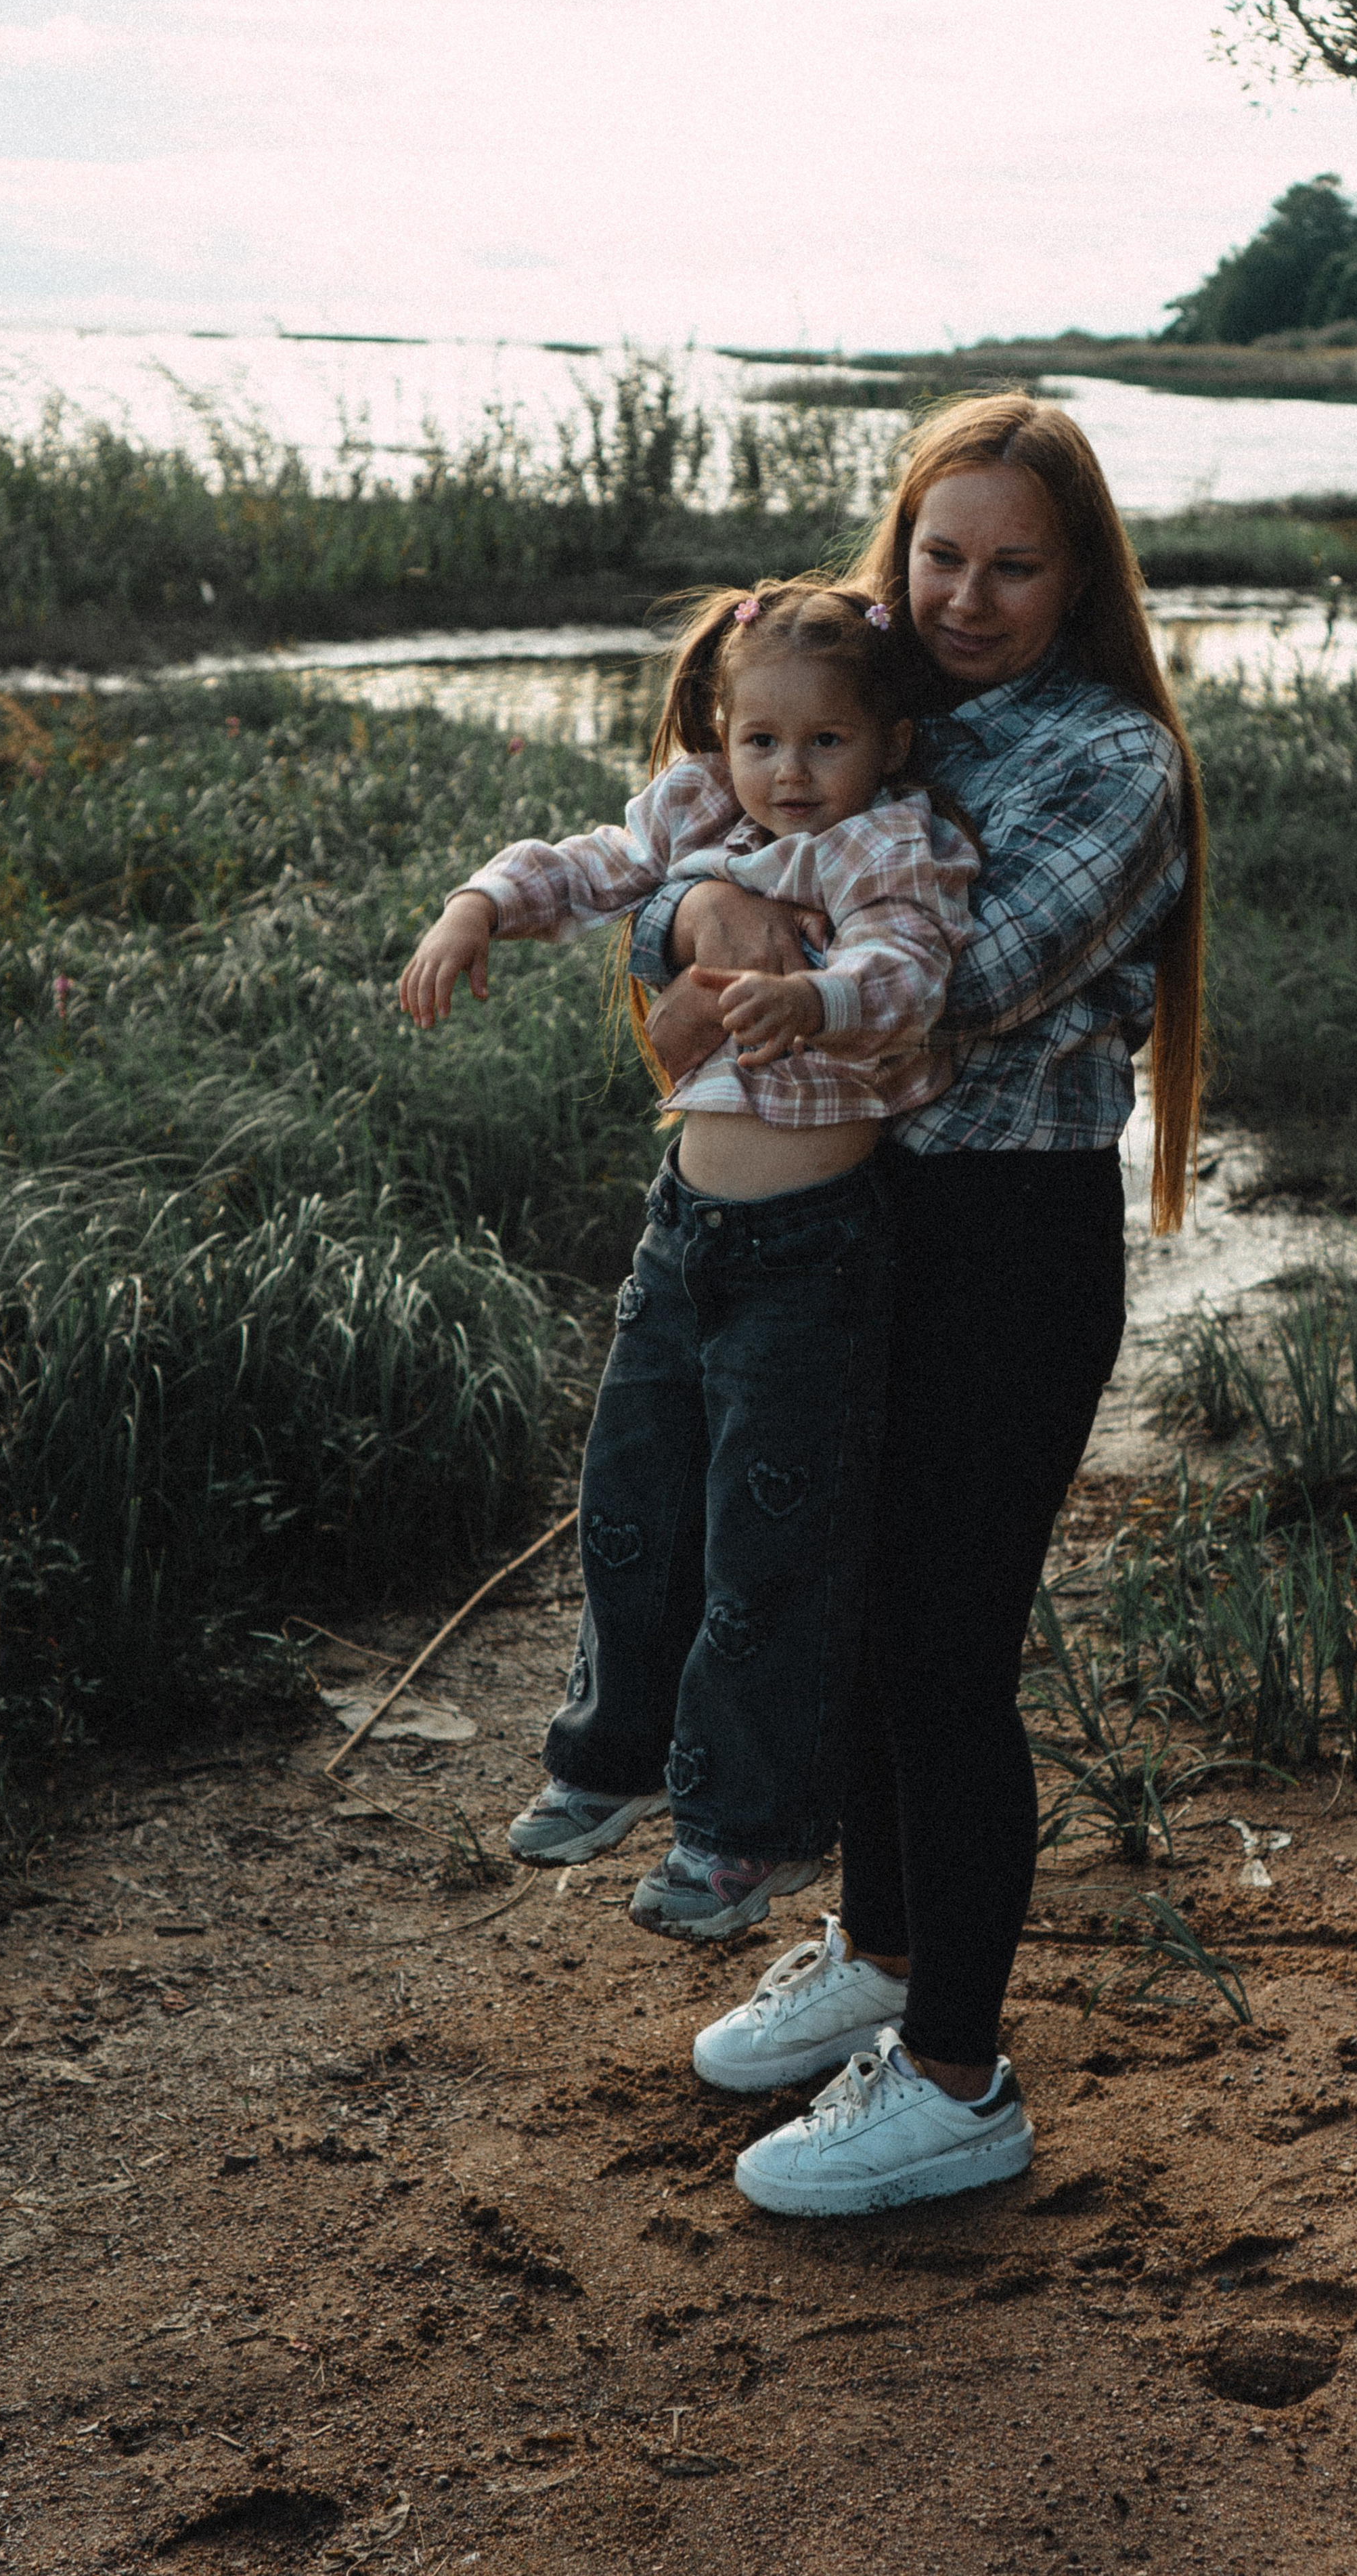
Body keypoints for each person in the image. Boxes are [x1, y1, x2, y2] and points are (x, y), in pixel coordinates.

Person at [629, 396, 1209, 2214]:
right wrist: (704, 909)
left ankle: (959, 2076)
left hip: (1011, 1239)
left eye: (1014, 562)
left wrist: (731, 913)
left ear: (1078, 574)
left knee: (946, 1647)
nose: (967, 593)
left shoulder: (1110, 763)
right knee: (857, 1619)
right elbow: (668, 864)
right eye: (939, 553)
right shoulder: (872, 711)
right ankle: (880, 1958)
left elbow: (948, 984)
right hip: (854, 1223)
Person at [397, 582, 977, 1941]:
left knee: (766, 1545)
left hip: (813, 1255)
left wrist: (811, 997)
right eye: (758, 741)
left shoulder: (894, 843)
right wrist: (478, 903)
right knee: (631, 1508)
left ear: (886, 741)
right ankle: (610, 1763)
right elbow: (593, 862)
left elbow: (908, 974)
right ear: (719, 739)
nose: (787, 772)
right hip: (682, 1235)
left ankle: (739, 1830)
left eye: (822, 742)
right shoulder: (696, 812)